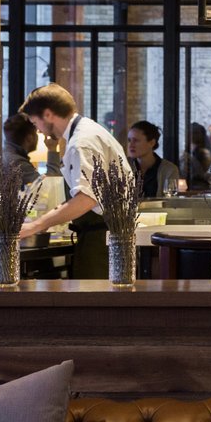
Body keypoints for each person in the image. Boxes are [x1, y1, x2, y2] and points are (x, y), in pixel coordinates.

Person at [17, 83, 128, 279]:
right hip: (108, 234)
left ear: (48, 114)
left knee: (94, 295)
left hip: (102, 236)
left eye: (35, 123)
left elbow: (86, 199)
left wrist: (35, 226)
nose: (39, 131)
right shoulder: (88, 130)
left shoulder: (81, 143)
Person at [125, 121, 182, 199]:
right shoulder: (123, 166)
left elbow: (170, 201)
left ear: (152, 143)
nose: (131, 145)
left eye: (136, 140)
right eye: (129, 140)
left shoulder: (169, 170)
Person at [1, 114, 41, 187]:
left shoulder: (4, 155)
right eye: (36, 133)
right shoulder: (18, 162)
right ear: (29, 138)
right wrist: (52, 150)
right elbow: (47, 188)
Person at [182, 122, 211, 191]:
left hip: (198, 189)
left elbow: (204, 175)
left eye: (195, 133)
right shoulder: (191, 151)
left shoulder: (204, 153)